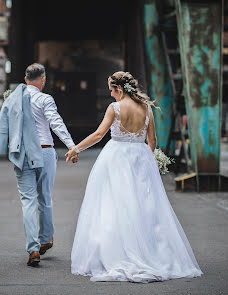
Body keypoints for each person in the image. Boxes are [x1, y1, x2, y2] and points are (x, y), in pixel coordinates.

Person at [66, 71, 203, 283]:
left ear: (119, 89)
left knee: (114, 205)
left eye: (112, 90)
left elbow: (99, 135)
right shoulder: (146, 108)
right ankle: (149, 251)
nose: (111, 95)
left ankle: (118, 252)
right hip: (141, 158)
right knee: (144, 206)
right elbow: (153, 140)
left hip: (117, 158)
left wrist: (76, 149)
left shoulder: (115, 108)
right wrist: (150, 159)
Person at [0, 63, 78, 266]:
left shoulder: (13, 99)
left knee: (28, 201)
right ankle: (46, 239)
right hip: (45, 151)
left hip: (23, 154)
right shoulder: (45, 99)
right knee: (45, 198)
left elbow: (5, 126)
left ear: (26, 79)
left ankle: (33, 249)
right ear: (43, 80)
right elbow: (56, 123)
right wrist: (72, 146)